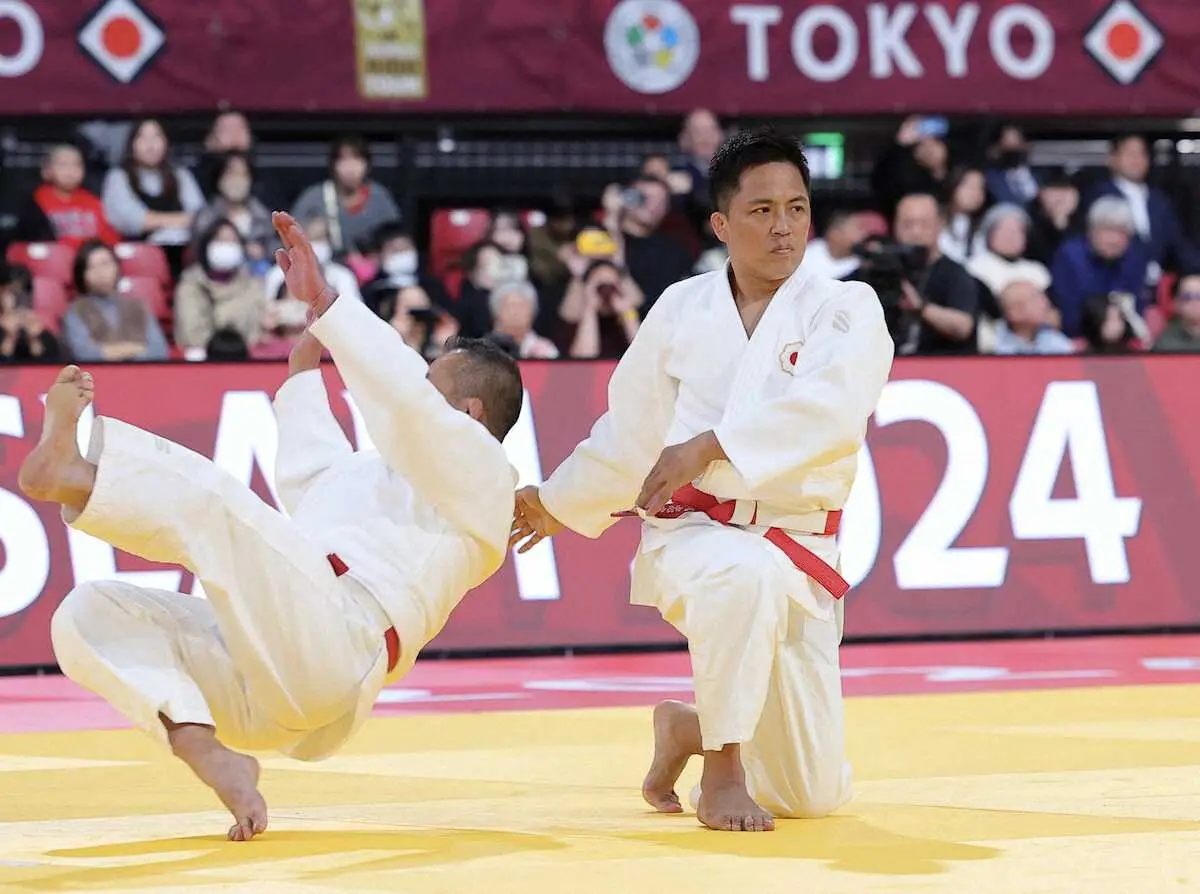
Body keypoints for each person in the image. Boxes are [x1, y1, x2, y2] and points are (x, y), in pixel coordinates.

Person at [18, 211, 523, 842]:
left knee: (219, 506)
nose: (417, 389)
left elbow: (406, 404)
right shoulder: (378, 473)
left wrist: (327, 303)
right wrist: (303, 375)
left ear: (469, 413)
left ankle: (79, 476)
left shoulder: (486, 481)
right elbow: (311, 476)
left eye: (432, 383)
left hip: (343, 642)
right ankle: (205, 748)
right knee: (88, 611)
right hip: (273, 683)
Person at [510, 129, 894, 832]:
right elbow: (631, 433)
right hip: (696, 531)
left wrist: (710, 444)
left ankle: (689, 728)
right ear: (721, 223)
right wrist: (558, 503)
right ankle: (723, 771)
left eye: (797, 207)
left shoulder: (849, 307)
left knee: (811, 795)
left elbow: (833, 414)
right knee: (739, 573)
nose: (783, 227)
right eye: (761, 210)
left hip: (800, 546)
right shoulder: (682, 308)